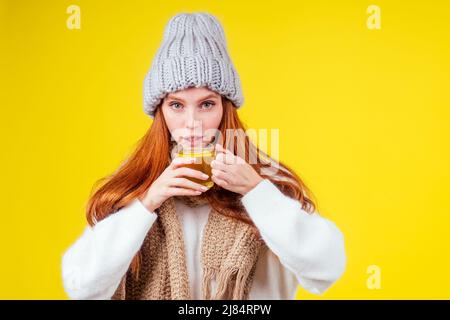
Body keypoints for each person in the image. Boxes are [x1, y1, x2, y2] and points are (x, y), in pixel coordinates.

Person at [61, 12, 346, 300]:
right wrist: (147, 203)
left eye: (207, 104)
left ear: (226, 108)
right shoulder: (135, 189)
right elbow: (82, 288)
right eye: (176, 105)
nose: (192, 122)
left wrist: (256, 191)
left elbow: (326, 269)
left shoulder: (267, 182)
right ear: (160, 112)